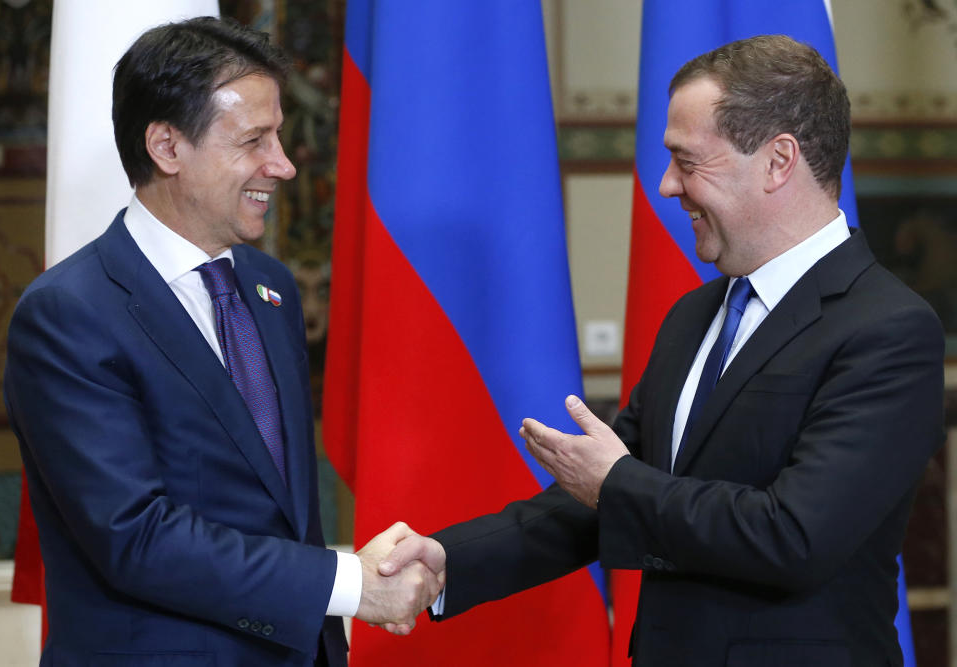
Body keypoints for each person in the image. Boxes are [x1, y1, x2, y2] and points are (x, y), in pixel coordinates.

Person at [381, 35, 945, 666]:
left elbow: (794, 536)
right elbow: (605, 501)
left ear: (778, 161)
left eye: (687, 160)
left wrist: (616, 481)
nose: (666, 184)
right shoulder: (694, 316)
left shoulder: (888, 329)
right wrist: (450, 560)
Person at [4, 17, 440, 667]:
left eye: (281, 137)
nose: (284, 165)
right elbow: (136, 536)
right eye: (254, 140)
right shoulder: (69, 312)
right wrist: (350, 584)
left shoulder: (270, 289)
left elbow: (281, 506)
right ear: (167, 147)